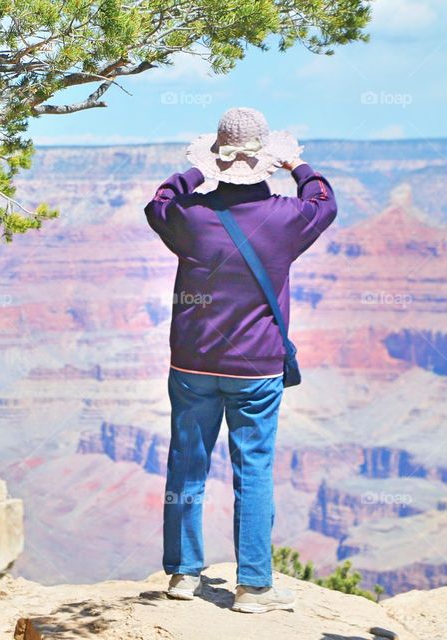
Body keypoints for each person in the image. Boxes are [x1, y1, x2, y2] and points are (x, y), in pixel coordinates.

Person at [144, 106, 337, 613]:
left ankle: (183, 575)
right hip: (257, 369)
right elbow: (323, 200)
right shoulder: (287, 219)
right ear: (265, 162)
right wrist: (297, 164)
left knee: (186, 464)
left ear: (217, 160)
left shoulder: (188, 217)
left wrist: (197, 172)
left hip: (191, 364)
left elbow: (159, 201)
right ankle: (253, 587)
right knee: (253, 469)